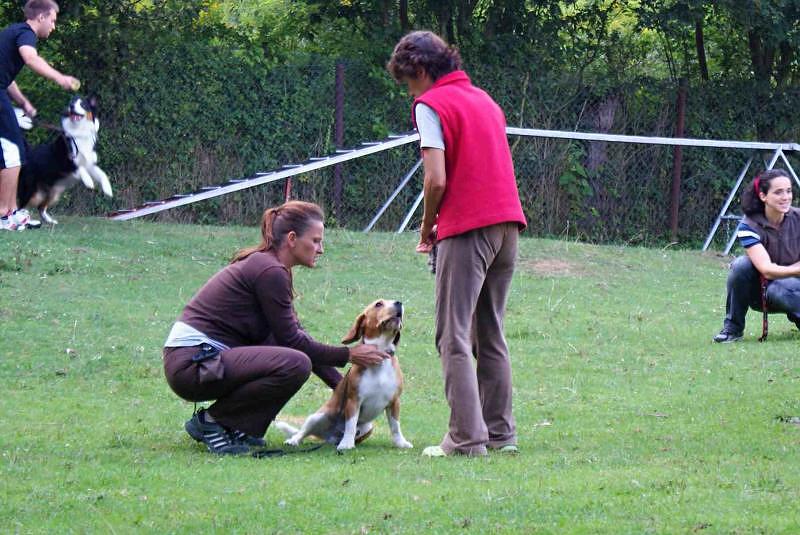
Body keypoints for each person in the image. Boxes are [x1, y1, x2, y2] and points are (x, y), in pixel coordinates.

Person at [386, 31, 527, 457]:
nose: (409, 92)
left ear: (422, 72)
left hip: (468, 229)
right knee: (490, 334)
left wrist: (428, 227)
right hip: (507, 228)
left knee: (453, 336)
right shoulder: (485, 100)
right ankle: (501, 435)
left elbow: (436, 178)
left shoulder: (431, 105)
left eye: (408, 82)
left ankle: (466, 439)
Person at [163, 201, 388, 455]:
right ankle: (212, 422)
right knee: (295, 363)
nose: (321, 249)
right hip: (191, 365)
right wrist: (348, 355)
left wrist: (345, 391)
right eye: (315, 241)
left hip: (203, 361)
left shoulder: (274, 268)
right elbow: (293, 342)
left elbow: (294, 335)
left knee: (289, 355)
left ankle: (241, 428)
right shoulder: (270, 271)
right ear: (292, 239)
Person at [0, 0, 79, 231]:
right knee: (12, 154)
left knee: (17, 152)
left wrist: (23, 102)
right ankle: (5, 215)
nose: (53, 26)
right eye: (53, 20)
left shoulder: (13, 32)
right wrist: (59, 78)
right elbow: (31, 58)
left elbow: (7, 78)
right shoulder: (26, 33)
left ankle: (11, 211)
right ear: (41, 17)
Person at [713, 168, 800, 343]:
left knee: (789, 286)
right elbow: (766, 270)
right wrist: (797, 269)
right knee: (741, 265)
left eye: (788, 191)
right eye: (778, 192)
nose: (786, 197)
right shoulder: (749, 226)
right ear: (763, 196)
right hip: (764, 293)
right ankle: (733, 329)